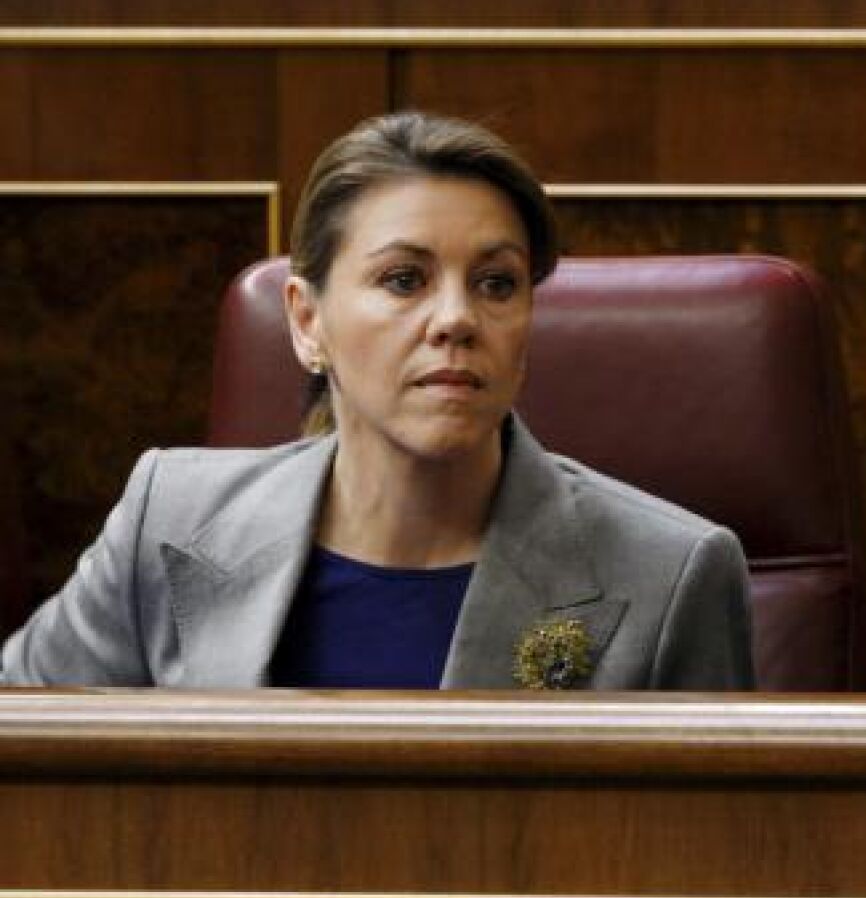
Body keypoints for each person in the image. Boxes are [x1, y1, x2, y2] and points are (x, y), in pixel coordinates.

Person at [2, 111, 754, 690]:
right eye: (404, 280)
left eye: (497, 283)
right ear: (307, 321)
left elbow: (711, 843)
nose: (456, 318)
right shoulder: (169, 519)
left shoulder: (671, 574)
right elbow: (28, 752)